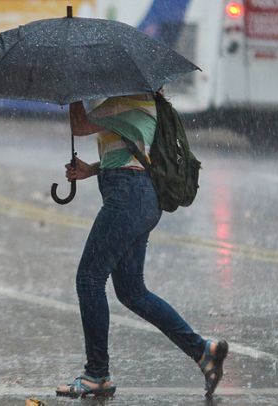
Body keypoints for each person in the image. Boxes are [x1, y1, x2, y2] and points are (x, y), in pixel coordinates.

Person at [55, 93, 228, 399]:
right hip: (137, 196)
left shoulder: (131, 98)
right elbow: (129, 154)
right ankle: (203, 351)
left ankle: (97, 374)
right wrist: (91, 169)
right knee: (132, 291)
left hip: (129, 196)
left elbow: (80, 125)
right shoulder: (133, 100)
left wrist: (74, 92)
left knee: (89, 279)